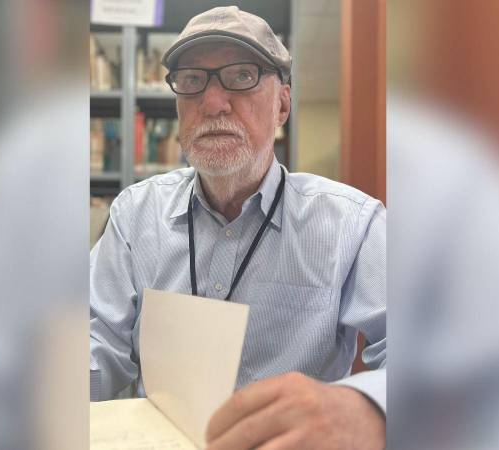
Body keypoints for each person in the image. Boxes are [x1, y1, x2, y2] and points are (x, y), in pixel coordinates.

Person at [90, 6, 386, 449]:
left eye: (242, 76)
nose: (212, 102)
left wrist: (368, 408)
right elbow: (96, 339)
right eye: (192, 80)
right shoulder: (135, 214)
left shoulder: (351, 223)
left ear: (282, 104)